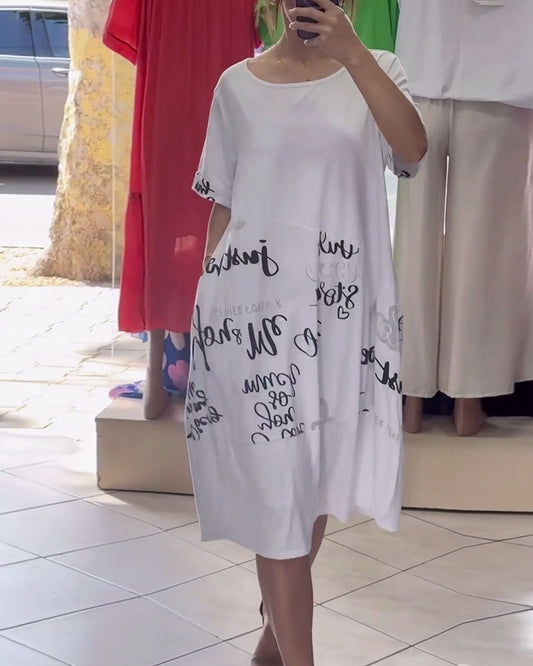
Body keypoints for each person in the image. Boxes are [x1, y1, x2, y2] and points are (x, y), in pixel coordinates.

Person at [186, 1, 427, 664]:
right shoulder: (236, 85)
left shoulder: (377, 69)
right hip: (251, 320)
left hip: (340, 318)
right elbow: (224, 202)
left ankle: (274, 630)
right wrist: (206, 306)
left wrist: (351, 54)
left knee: (308, 485)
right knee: (279, 491)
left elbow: (411, 152)